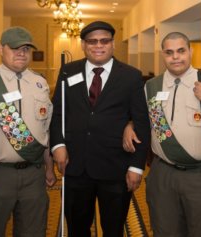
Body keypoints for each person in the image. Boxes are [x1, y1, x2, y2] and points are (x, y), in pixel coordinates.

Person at [50, 21, 151, 237]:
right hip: (75, 166)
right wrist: (58, 144)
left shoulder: (131, 76)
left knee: (113, 230)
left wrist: (136, 167)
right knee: (77, 229)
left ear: (113, 44)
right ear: (84, 45)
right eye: (92, 41)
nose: (98, 45)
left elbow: (141, 121)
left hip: (116, 168)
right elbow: (58, 112)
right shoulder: (68, 71)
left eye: (104, 40)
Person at [0, 26, 56, 237]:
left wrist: (49, 167)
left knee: (34, 231)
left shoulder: (40, 83)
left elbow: (45, 131)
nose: (22, 53)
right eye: (15, 48)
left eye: (26, 48)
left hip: (33, 174)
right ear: (1, 49)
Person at [123, 32, 201, 237]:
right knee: (164, 230)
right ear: (163, 55)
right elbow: (142, 118)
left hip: (200, 176)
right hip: (163, 173)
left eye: (181, 51)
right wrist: (129, 124)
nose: (175, 57)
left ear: (191, 51)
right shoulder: (151, 86)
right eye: (169, 52)